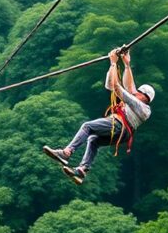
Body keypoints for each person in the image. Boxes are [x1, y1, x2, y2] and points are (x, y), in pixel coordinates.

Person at [43, 48, 154, 184]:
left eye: (138, 92)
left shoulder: (143, 108)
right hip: (122, 133)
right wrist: (126, 64)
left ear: (144, 96)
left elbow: (117, 87)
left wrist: (113, 63)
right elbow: (126, 86)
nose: (135, 92)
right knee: (94, 140)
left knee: (87, 126)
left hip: (119, 126)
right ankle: (82, 170)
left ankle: (66, 152)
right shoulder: (139, 101)